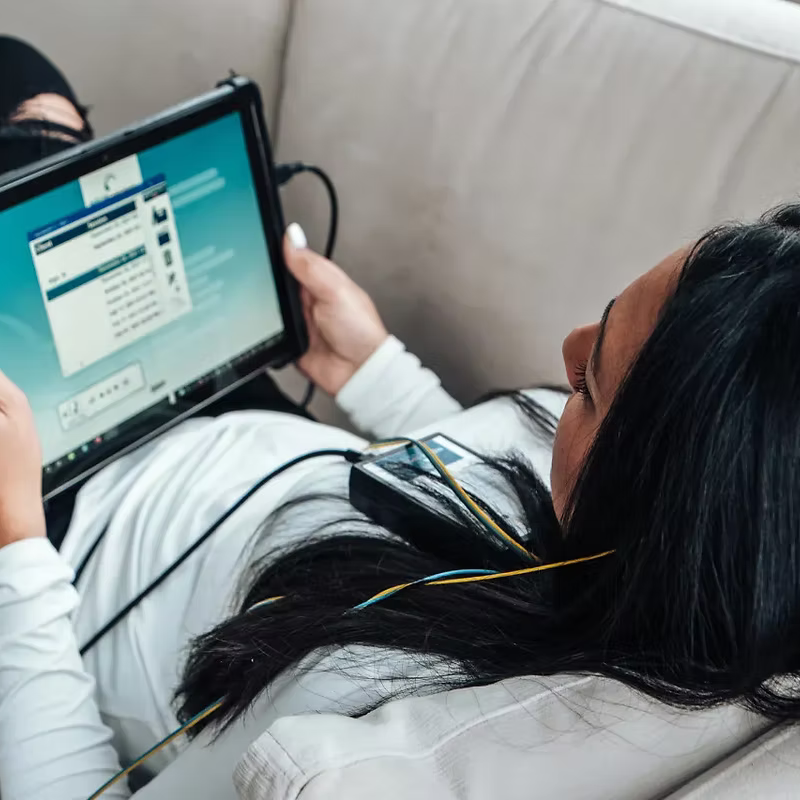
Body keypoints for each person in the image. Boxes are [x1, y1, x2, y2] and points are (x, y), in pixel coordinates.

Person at [1, 36, 799, 800]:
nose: (569, 349)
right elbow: (479, 498)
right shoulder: (629, 561)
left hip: (68, 522)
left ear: (657, 503)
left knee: (28, 130)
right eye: (603, 317)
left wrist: (17, 549)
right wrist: (378, 370)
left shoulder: (358, 720)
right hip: (237, 410)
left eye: (590, 384)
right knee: (28, 86)